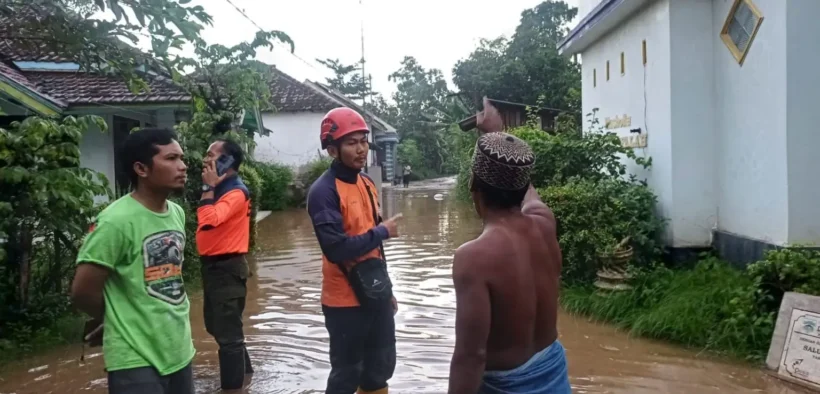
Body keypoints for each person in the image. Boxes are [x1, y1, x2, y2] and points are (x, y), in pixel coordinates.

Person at [448, 98, 570, 394]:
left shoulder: (472, 258)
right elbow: (525, 188)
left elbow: (470, 357)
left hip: (505, 387)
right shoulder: (544, 222)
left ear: (473, 186)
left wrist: (494, 137)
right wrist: (498, 136)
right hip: (555, 376)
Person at [70, 128, 195, 394]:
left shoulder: (177, 213)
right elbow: (82, 291)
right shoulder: (114, 222)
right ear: (141, 169)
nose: (183, 166)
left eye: (181, 158)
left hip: (179, 350)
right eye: (171, 158)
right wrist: (117, 318)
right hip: (134, 358)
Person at [307, 107, 403, 394]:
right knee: (347, 375)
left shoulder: (367, 183)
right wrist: (382, 231)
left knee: (380, 369)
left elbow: (375, 248)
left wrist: (387, 290)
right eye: (352, 143)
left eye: (363, 141)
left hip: (375, 293)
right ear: (332, 150)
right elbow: (336, 249)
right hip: (344, 301)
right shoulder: (323, 192)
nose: (361, 149)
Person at [196, 139, 253, 390]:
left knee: (228, 335)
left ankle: (234, 389)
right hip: (215, 268)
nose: (205, 160)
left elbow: (209, 219)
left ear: (227, 161)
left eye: (211, 155)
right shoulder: (221, 189)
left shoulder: (236, 192)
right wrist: (210, 187)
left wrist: (207, 187)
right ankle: (246, 376)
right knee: (218, 326)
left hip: (227, 268)